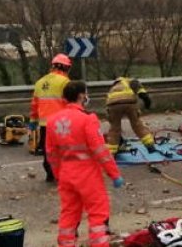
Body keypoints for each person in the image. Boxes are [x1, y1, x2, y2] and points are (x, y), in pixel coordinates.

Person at [45, 80, 124, 247]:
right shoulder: (88, 119)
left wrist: (59, 175)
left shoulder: (52, 121)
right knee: (97, 214)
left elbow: (51, 154)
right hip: (88, 176)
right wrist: (114, 174)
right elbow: (100, 151)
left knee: (69, 214)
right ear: (81, 96)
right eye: (86, 93)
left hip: (66, 175)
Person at [31, 53, 73, 182]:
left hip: (44, 124)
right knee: (63, 149)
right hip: (61, 123)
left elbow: (34, 104)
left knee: (47, 150)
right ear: (66, 68)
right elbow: (70, 102)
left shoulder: (40, 82)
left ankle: (50, 173)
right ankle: (62, 174)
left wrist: (33, 121)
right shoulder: (65, 82)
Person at [104, 76, 155, 155]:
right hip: (129, 102)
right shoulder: (131, 81)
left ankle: (111, 153)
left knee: (114, 129)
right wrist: (147, 104)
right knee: (137, 125)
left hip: (113, 105)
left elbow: (107, 104)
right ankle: (150, 146)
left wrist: (111, 119)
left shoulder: (113, 87)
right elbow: (142, 93)